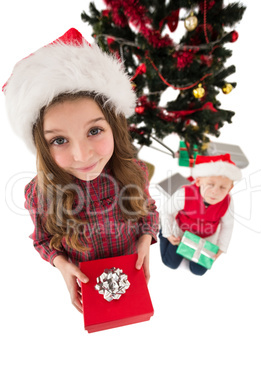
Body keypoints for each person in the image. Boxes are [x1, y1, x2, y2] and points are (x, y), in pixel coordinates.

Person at [3, 28, 159, 313]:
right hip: (88, 282)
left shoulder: (134, 171)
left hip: (129, 271)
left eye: (94, 130)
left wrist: (146, 239)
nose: (82, 155)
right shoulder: (40, 194)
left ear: (114, 126)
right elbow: (42, 240)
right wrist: (62, 265)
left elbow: (148, 210)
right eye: (59, 140)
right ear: (41, 145)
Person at [159, 154, 241, 275]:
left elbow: (228, 225)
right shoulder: (185, 194)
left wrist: (221, 248)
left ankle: (193, 251)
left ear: (230, 188)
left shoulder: (227, 202)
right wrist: (168, 233)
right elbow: (166, 211)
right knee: (171, 263)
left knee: (198, 271)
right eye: (210, 184)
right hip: (181, 232)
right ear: (198, 181)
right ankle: (162, 234)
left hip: (205, 237)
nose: (215, 192)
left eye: (223, 187)